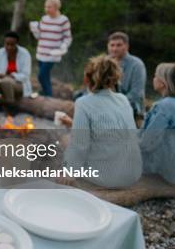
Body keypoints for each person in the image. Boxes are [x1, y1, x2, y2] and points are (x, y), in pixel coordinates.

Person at [59, 55, 141, 188]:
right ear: (114, 78)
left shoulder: (84, 103)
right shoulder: (123, 99)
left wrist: (68, 170)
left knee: (66, 140)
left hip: (109, 177)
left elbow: (80, 144)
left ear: (87, 78)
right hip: (133, 173)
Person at [139, 63, 175, 184]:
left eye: (155, 76)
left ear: (163, 82)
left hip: (169, 173)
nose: (153, 79)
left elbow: (147, 143)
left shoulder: (163, 107)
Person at [30, 0, 73, 97]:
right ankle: (45, 94)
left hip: (53, 54)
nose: (46, 9)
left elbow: (68, 37)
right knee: (45, 76)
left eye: (49, 7)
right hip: (41, 52)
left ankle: (48, 96)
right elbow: (39, 36)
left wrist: (64, 46)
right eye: (45, 7)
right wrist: (34, 30)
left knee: (41, 76)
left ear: (56, 7)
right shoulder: (44, 19)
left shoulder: (63, 20)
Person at [106, 31, 147, 123]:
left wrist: (114, 105)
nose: (115, 49)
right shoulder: (104, 63)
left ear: (127, 46)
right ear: (107, 46)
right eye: (112, 45)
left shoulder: (136, 65)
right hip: (107, 114)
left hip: (133, 114)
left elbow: (136, 93)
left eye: (119, 45)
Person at [0, 31, 32, 112]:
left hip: (19, 84)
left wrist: (12, 76)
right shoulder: (0, 52)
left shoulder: (25, 54)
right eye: (7, 44)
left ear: (17, 44)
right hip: (2, 80)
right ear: (4, 43)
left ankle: (11, 106)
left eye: (12, 45)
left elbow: (26, 75)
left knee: (6, 82)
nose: (9, 47)